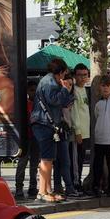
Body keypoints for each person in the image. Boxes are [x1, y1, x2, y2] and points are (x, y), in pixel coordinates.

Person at [29, 58, 74, 203]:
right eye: (64, 73)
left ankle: (48, 190)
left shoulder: (49, 81)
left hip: (46, 123)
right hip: (43, 123)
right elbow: (55, 100)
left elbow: (64, 102)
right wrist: (65, 89)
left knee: (49, 158)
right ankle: (42, 192)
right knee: (46, 159)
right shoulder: (49, 82)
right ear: (60, 71)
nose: (64, 76)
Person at [54, 70, 78, 198]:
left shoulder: (71, 97)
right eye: (67, 84)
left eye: (71, 85)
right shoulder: (60, 97)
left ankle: (60, 187)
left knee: (61, 161)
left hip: (67, 131)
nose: (69, 87)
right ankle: (68, 187)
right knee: (64, 161)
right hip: (59, 131)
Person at [14, 79, 39, 199]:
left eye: (35, 90)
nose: (34, 93)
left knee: (34, 164)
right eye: (31, 90)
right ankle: (19, 188)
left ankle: (32, 187)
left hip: (36, 137)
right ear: (27, 91)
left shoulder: (39, 104)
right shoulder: (24, 105)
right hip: (25, 137)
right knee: (22, 163)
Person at [71, 64, 91, 191]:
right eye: (80, 75)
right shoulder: (74, 91)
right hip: (78, 133)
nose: (82, 78)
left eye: (85, 75)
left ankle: (78, 181)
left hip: (87, 132)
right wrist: (77, 131)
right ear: (74, 76)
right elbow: (74, 113)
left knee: (81, 158)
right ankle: (75, 183)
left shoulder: (86, 90)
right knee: (75, 160)